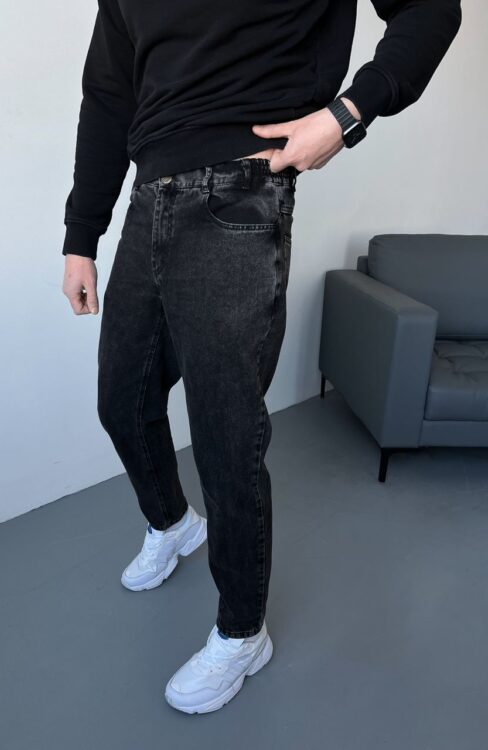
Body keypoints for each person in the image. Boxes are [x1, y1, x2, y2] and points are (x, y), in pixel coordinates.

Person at [61, 0, 461, 714]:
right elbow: (108, 93)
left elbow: (432, 10)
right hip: (149, 197)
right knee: (121, 398)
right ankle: (173, 524)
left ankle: (243, 632)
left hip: (238, 192)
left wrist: (346, 115)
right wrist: (79, 237)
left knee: (226, 433)